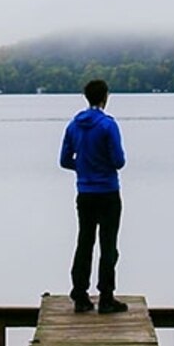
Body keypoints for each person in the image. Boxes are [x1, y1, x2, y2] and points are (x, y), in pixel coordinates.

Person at [59, 79, 126, 313]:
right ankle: (106, 297)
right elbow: (119, 161)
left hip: (84, 193)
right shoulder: (108, 125)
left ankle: (80, 294)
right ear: (105, 97)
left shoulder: (73, 125)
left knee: (84, 242)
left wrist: (84, 167)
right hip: (108, 192)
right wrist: (100, 166)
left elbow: (64, 160)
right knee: (109, 245)